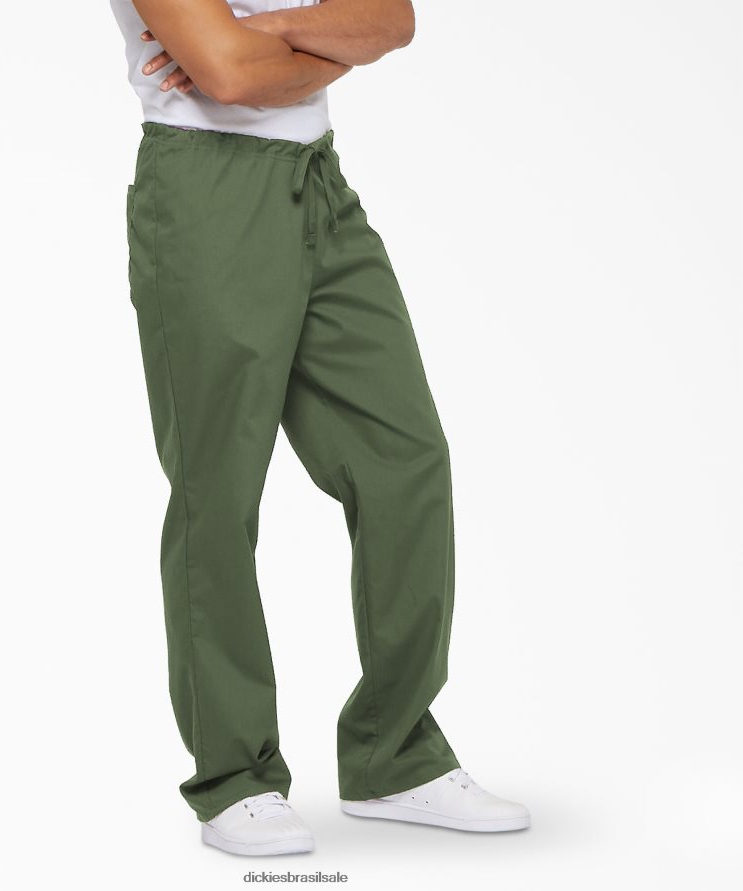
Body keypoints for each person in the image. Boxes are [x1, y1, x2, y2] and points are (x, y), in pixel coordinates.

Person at [111, 0, 530, 856]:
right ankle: (234, 777)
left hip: (319, 185)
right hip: (206, 188)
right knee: (217, 491)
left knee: (404, 460)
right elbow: (227, 78)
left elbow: (390, 23)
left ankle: (394, 755)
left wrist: (264, 34)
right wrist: (317, 43)